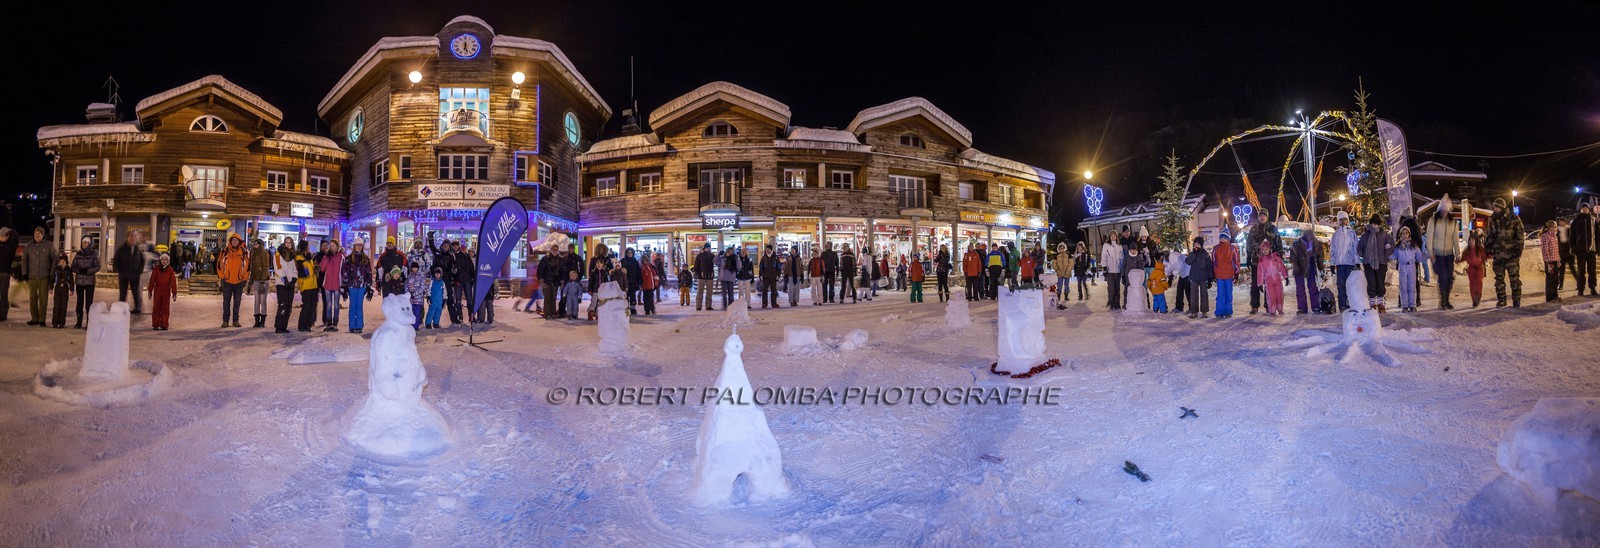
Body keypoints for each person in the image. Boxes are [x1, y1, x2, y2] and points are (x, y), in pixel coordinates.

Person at [1485, 198, 1524, 307]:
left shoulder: (1514, 218)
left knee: (1514, 278)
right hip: (1498, 255)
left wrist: (1518, 250)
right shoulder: (1492, 219)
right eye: (1494, 207)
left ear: (1502, 208)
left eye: (1496, 207)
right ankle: (1501, 299)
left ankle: (1516, 299)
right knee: (1499, 279)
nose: (1494, 209)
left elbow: (1520, 236)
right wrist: (1488, 248)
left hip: (1512, 255)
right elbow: (1490, 235)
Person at [1423, 196, 1458, 309]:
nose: (1444, 213)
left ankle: (1446, 299)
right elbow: (1429, 238)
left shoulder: (1452, 222)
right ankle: (1442, 300)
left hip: (1449, 255)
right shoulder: (1433, 221)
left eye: (1446, 211)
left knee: (1449, 278)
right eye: (1442, 210)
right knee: (1442, 277)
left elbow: (1455, 239)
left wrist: (1457, 253)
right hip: (1438, 255)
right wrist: (1431, 254)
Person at [1247, 211, 1283, 314]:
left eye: (1264, 215)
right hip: (1256, 261)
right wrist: (1248, 256)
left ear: (1267, 217)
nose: (1262, 217)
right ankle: (1254, 306)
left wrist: (1279, 254)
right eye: (1260, 215)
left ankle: (1269, 304)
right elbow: (1249, 242)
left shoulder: (1272, 228)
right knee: (1255, 284)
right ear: (1258, 217)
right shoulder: (1253, 229)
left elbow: (1278, 242)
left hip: (1269, 262)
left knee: (1269, 283)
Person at [1357, 214, 1395, 312]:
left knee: (1380, 282)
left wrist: (1386, 255)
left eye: (1376, 224)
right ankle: (1373, 303)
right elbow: (1359, 247)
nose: (1374, 226)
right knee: (1371, 282)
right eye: (1373, 224)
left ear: (1378, 224)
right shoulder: (1365, 235)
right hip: (1368, 263)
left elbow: (1391, 245)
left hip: (1381, 262)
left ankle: (1381, 303)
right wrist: (1364, 255)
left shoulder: (1384, 234)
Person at [1329, 211, 1360, 311]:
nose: (1343, 221)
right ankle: (1342, 305)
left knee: (1350, 285)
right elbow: (1333, 250)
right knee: (1340, 285)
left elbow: (1356, 248)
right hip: (1340, 264)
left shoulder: (1352, 234)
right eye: (1341, 220)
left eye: (1344, 219)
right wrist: (1332, 263)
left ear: (1347, 220)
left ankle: (1351, 304)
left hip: (1350, 263)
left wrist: (1357, 262)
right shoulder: (1336, 235)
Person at [1289, 230, 1324, 314]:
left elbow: (1319, 256)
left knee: (1312, 286)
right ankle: (1302, 308)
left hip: (1310, 265)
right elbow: (1292, 256)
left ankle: (1315, 306)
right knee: (1301, 288)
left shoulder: (1316, 243)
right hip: (1299, 265)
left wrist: (1320, 267)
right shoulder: (1297, 244)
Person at [342, 241, 374, 333]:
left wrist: (369, 286)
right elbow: (345, 273)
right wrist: (344, 285)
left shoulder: (366, 259)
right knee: (353, 305)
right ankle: (352, 326)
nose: (359, 247)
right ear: (354, 246)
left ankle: (359, 326)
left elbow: (369, 273)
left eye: (360, 245)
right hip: (352, 285)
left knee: (359, 305)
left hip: (362, 285)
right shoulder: (348, 259)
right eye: (357, 245)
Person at [113, 229, 145, 314]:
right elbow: (116, 261)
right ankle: (121, 308)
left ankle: (137, 309)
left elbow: (142, 261)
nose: (132, 238)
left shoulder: (138, 249)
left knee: (136, 293)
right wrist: (120, 270)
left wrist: (139, 271)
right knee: (123, 293)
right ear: (127, 237)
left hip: (135, 275)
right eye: (131, 236)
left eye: (134, 236)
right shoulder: (121, 248)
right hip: (124, 275)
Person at [1393, 226, 1425, 312]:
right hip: (1402, 266)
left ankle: (1412, 305)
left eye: (1406, 233)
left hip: (1411, 266)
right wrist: (1387, 251)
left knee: (1412, 286)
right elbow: (1393, 256)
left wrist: (1427, 254)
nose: (1404, 235)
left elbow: (1419, 256)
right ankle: (1405, 306)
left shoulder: (1413, 245)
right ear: (1400, 234)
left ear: (1409, 234)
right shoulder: (1398, 245)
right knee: (1403, 287)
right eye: (1403, 233)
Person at [71, 237, 100, 329]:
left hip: (89, 282)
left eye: (86, 243)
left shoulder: (93, 254)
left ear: (90, 243)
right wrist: (79, 270)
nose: (84, 244)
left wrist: (88, 271)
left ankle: (89, 321)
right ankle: (79, 321)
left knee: (89, 303)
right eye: (83, 243)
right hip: (79, 282)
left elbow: (97, 266)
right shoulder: (78, 254)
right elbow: (73, 267)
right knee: (79, 302)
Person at [1457, 231, 1490, 307]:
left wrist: (1490, 255)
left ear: (1476, 241)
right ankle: (1473, 299)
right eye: (1470, 240)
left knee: (1478, 283)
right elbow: (1462, 258)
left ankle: (1477, 297)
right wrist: (1457, 260)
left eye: (1473, 240)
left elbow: (1485, 256)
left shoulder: (1480, 249)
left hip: (1479, 269)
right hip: (1471, 269)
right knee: (1472, 284)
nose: (1471, 242)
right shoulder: (1467, 251)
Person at [316, 240, 343, 329]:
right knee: (328, 304)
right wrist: (326, 257)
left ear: (337, 246)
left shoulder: (341, 257)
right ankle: (328, 322)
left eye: (333, 246)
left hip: (337, 284)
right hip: (327, 283)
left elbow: (344, 270)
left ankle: (335, 323)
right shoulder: (327, 256)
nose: (331, 248)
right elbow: (322, 269)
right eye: (330, 246)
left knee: (336, 304)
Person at [273, 239, 298, 334]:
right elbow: (278, 267)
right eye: (286, 242)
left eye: (290, 242)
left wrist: (294, 280)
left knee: (288, 306)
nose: (288, 244)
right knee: (282, 306)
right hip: (281, 283)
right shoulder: (278, 254)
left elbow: (295, 269)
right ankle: (278, 326)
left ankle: (284, 326)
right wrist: (285, 280)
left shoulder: (293, 255)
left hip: (290, 284)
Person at [147, 253, 178, 330]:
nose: (164, 261)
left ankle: (164, 324)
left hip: (166, 290)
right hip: (158, 289)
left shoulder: (170, 270)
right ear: (160, 260)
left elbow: (173, 282)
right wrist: (150, 291)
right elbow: (152, 280)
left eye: (166, 260)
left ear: (168, 261)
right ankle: (155, 324)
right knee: (156, 307)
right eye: (163, 259)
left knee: (165, 308)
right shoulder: (156, 269)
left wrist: (174, 292)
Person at [1212, 231, 1239, 318]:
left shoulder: (1232, 248)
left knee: (1228, 294)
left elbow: (1236, 261)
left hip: (1229, 275)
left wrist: (1236, 273)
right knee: (1220, 294)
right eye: (1221, 237)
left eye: (1225, 237)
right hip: (1219, 275)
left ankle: (1228, 311)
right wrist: (1213, 273)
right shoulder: (1216, 248)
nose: (1223, 239)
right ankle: (1219, 312)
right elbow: (1213, 261)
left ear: (1228, 238)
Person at [1185, 236, 1213, 319]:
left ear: (1201, 245)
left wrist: (1210, 279)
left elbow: (1209, 267)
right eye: (1195, 244)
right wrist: (1194, 253)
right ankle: (1194, 311)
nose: (1196, 246)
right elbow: (1188, 262)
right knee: (1193, 295)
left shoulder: (1205, 254)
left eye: (1198, 244)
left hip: (1203, 277)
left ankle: (1204, 311)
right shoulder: (1192, 253)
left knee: (1204, 295)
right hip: (1194, 277)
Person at [1571, 203, 1596, 295]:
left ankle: (1592, 288)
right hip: (1580, 250)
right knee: (1581, 271)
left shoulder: (1593, 220)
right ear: (1580, 209)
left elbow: (1597, 235)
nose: (1585, 209)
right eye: (1583, 208)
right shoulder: (1576, 221)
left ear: (1589, 209)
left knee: (1592, 270)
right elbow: (1572, 236)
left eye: (1586, 208)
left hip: (1592, 249)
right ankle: (1580, 289)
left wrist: (1598, 248)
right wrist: (1573, 247)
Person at [247, 238, 272, 327]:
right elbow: (252, 268)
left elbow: (265, 267)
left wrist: (262, 280)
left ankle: (263, 321)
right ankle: (257, 321)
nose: (255, 245)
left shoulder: (264, 253)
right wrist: (250, 281)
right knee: (256, 301)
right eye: (254, 244)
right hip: (256, 280)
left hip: (263, 280)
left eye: (257, 244)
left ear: (261, 245)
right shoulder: (253, 253)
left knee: (263, 301)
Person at [1257, 241, 1286, 315]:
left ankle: (1280, 309)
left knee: (1279, 295)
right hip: (1269, 282)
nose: (1265, 251)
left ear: (1269, 249)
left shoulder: (1276, 258)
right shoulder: (1261, 261)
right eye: (1263, 250)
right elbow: (1260, 273)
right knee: (1271, 297)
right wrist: (1260, 284)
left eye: (1266, 249)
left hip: (1277, 280)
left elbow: (1282, 267)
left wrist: (1285, 276)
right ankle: (1272, 310)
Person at [295, 242, 319, 332]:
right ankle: (302, 325)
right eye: (308, 247)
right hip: (305, 285)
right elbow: (301, 272)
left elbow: (312, 270)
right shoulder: (299, 258)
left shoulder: (309, 258)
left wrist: (315, 268)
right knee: (307, 306)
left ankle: (308, 324)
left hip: (313, 285)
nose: (309, 248)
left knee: (313, 306)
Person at [1541, 221, 1562, 303]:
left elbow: (1556, 250)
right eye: (1553, 227)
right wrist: (1548, 261)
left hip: (1555, 260)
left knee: (1556, 279)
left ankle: (1555, 295)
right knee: (1550, 280)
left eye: (1555, 227)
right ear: (1549, 228)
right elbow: (1545, 250)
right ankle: (1550, 297)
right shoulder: (1546, 236)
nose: (1555, 228)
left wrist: (1558, 260)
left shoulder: (1555, 236)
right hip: (1550, 261)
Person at [1101, 234, 1124, 310]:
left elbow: (1122, 258)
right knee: (1111, 288)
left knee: (1117, 288)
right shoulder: (1106, 246)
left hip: (1117, 270)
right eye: (1112, 236)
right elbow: (1103, 256)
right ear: (1109, 237)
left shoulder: (1119, 246)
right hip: (1109, 270)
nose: (1113, 237)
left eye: (1114, 236)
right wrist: (1104, 267)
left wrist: (1122, 268)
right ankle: (1111, 303)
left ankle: (1117, 304)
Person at [49, 253, 72, 329]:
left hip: (65, 289)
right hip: (58, 288)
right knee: (56, 306)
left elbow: (71, 280)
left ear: (66, 262)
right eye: (61, 261)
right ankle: (55, 322)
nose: (62, 263)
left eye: (64, 261)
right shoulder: (56, 269)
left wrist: (71, 289)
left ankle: (61, 323)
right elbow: (52, 279)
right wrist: (51, 288)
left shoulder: (68, 270)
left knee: (63, 306)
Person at [692, 243, 716, 311]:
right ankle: (698, 306)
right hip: (701, 276)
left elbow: (716, 262)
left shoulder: (712, 255)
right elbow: (696, 264)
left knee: (709, 292)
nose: (708, 249)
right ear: (704, 248)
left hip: (710, 276)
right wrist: (696, 272)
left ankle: (708, 306)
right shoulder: (700, 256)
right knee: (700, 292)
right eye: (707, 248)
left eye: (709, 248)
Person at [0, 228, 16, 323]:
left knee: (3, 294)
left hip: (5, 273)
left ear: (7, 236)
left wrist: (8, 230)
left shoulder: (10, 246)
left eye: (3, 236)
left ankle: (3, 314)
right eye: (0, 236)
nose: (1, 238)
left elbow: (15, 235)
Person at [1167, 244, 1189, 314]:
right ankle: (1179, 307)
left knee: (1188, 291)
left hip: (1187, 274)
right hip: (1182, 275)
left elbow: (1180, 267)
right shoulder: (1171, 258)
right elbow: (1170, 267)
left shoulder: (1180, 257)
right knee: (1179, 291)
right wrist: (1167, 275)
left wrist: (1172, 275)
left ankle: (1192, 307)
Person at [405, 262, 427, 330]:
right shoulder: (409, 276)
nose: (414, 269)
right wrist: (408, 294)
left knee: (417, 313)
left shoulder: (421, 276)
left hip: (418, 299)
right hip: (410, 299)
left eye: (415, 268)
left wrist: (415, 294)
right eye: (413, 268)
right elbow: (406, 285)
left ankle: (416, 326)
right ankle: (410, 326)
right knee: (410, 312)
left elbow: (422, 287)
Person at [1051, 243, 1073, 308]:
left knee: (1066, 285)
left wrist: (1068, 270)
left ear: (1065, 248)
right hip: (1060, 273)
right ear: (1059, 249)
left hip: (1067, 273)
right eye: (1060, 248)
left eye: (1063, 248)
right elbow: (1054, 264)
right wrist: (1057, 270)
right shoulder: (1056, 255)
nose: (1062, 249)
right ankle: (1058, 296)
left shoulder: (1068, 255)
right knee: (1059, 285)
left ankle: (1066, 296)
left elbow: (1071, 263)